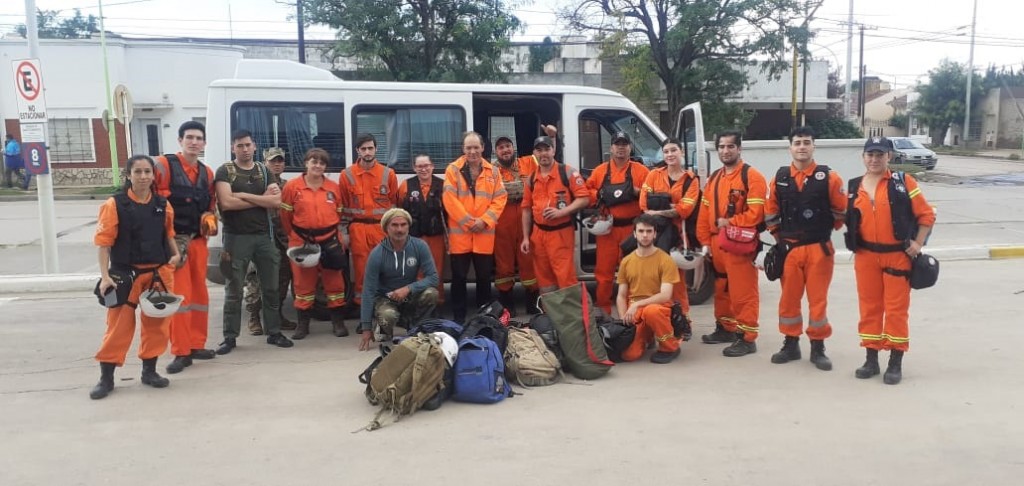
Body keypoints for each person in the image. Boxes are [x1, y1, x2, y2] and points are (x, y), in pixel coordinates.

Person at [90, 155, 181, 399]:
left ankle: (149, 372)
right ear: (128, 175)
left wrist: (175, 255)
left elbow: (169, 233)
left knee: (157, 326)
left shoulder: (163, 204)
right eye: (137, 172)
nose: (143, 177)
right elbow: (103, 244)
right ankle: (106, 378)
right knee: (118, 327)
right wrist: (105, 276)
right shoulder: (114, 204)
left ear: (154, 175)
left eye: (147, 172)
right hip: (125, 275)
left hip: (158, 274)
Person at [848, 136, 935, 385]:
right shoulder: (854, 186)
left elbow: (926, 215)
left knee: (896, 310)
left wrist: (917, 243)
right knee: (869, 308)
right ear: (863, 157)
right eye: (870, 154)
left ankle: (895, 362)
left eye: (880, 154)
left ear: (889, 156)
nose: (874, 159)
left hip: (897, 256)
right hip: (865, 257)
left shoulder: (903, 182)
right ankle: (871, 359)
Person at [764, 126, 847, 371]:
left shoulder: (830, 177)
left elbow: (841, 212)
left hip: (818, 248)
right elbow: (770, 212)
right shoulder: (779, 178)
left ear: (814, 146)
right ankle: (790, 344)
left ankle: (818, 347)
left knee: (817, 300)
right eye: (797, 142)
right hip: (788, 249)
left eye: (806, 142)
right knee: (789, 300)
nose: (802, 146)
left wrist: (821, 231)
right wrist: (780, 240)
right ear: (790, 147)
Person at [212, 130, 293, 355]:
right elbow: (226, 204)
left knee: (271, 287)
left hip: (263, 237)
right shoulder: (225, 171)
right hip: (235, 238)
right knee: (234, 290)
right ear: (233, 148)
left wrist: (243, 196)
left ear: (255, 146)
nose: (245, 149)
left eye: (248, 145)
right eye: (240, 146)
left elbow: (276, 201)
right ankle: (229, 337)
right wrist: (260, 200)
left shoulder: (264, 171)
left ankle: (274, 332)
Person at [153, 121, 218, 374]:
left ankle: (196, 344)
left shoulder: (207, 173)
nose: (194, 142)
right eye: (189, 137)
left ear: (204, 143)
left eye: (199, 138)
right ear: (180, 140)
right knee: (180, 297)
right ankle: (181, 352)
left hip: (199, 241)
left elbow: (210, 204)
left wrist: (210, 219)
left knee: (200, 295)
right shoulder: (164, 165)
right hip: (173, 243)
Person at [696, 129, 767, 358]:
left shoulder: (752, 176)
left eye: (730, 146)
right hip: (717, 244)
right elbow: (704, 212)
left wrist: (729, 222)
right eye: (721, 147)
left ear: (739, 148)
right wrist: (705, 241)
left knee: (743, 291)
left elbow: (756, 213)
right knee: (722, 288)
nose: (725, 151)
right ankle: (725, 328)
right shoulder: (715, 178)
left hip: (739, 244)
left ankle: (747, 338)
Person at [280, 148, 348, 339]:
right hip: (302, 240)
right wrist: (296, 235)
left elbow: (339, 213)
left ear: (325, 167)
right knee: (303, 284)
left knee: (335, 283)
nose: (318, 165)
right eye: (314, 161)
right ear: (306, 163)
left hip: (330, 240)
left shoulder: (334, 188)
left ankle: (338, 322)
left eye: (322, 163)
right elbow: (286, 217)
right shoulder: (292, 187)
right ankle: (303, 325)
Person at [442, 131, 508, 323]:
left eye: (476, 147)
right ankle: (459, 318)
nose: (472, 151)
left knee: (484, 278)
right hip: (461, 234)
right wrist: (469, 222)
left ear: (482, 148)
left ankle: (483, 317)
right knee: (459, 278)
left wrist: (485, 220)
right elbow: (449, 199)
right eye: (468, 147)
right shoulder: (453, 169)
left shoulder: (493, 171)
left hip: (484, 234)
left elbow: (500, 198)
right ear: (463, 149)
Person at [357, 208, 440, 352]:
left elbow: (433, 278)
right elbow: (368, 291)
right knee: (388, 315)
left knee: (431, 293)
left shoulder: (420, 246)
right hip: (386, 299)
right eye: (394, 225)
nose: (399, 229)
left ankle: (415, 327)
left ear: (409, 226)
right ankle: (383, 329)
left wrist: (408, 289)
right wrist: (366, 328)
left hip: (408, 296)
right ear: (386, 228)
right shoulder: (377, 254)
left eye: (403, 225)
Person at [585, 132, 650, 314]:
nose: (621, 147)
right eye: (617, 144)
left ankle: (634, 314)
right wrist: (599, 194)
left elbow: (651, 195)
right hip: (607, 230)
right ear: (611, 147)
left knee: (633, 274)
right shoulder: (599, 171)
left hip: (632, 230)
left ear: (630, 147)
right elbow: (585, 193)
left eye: (624, 144)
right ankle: (603, 314)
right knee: (603, 275)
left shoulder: (641, 171)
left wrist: (637, 192)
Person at [520, 136, 590, 293]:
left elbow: (584, 199)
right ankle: (551, 313)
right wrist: (525, 237)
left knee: (565, 277)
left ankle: (571, 316)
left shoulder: (568, 172)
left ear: (553, 150)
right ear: (534, 153)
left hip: (561, 233)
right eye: (539, 150)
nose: (543, 153)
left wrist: (561, 212)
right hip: (538, 235)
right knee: (544, 279)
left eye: (547, 149)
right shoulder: (531, 178)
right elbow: (525, 209)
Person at [639, 138, 700, 317]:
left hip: (677, 236)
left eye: (673, 150)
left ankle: (683, 321)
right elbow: (644, 205)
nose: (670, 154)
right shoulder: (653, 175)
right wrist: (671, 207)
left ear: (681, 152)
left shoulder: (691, 180)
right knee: (652, 279)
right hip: (653, 235)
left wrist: (658, 209)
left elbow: (685, 210)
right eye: (666, 151)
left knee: (676, 282)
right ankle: (659, 318)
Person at [339, 133, 400, 312]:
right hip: (358, 230)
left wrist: (394, 232)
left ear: (376, 149)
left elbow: (394, 206)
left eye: (370, 148)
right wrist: (343, 233)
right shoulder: (346, 175)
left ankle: (385, 312)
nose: (367, 152)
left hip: (382, 229)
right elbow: (342, 207)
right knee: (362, 273)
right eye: (363, 148)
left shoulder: (388, 174)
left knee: (386, 271)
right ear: (357, 150)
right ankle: (364, 314)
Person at [243, 147, 297, 336]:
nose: (276, 164)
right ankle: (254, 318)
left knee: (282, 280)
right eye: (273, 160)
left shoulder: (289, 186)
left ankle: (276, 315)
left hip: (282, 242)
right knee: (257, 281)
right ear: (264, 162)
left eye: (280, 161)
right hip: (259, 239)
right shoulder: (255, 183)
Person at [616, 214, 682, 364]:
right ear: (634, 234)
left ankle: (670, 347)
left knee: (651, 311)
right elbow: (621, 295)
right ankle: (647, 337)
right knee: (629, 355)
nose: (645, 235)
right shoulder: (626, 261)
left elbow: (665, 295)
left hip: (659, 307)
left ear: (655, 234)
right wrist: (623, 319)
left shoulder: (665, 260)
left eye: (649, 231)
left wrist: (637, 304)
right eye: (641, 231)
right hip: (636, 310)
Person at [493, 134, 542, 315]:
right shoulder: (491, 170)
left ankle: (532, 301)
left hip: (524, 217)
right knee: (503, 264)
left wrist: (553, 137)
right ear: (496, 152)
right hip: (502, 220)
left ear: (513, 148)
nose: (505, 150)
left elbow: (549, 156)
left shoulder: (529, 162)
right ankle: (507, 304)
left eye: (508, 146)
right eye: (501, 147)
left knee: (528, 260)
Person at [398, 154, 446, 309]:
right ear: (414, 168)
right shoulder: (406, 185)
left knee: (436, 270)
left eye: (426, 165)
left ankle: (436, 304)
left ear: (432, 166)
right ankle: (418, 305)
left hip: (436, 236)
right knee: (416, 270)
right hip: (414, 237)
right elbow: (399, 209)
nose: (423, 169)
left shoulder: (443, 185)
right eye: (419, 166)